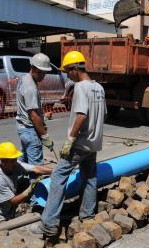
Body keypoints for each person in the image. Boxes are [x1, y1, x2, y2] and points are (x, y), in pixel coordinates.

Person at [30, 51, 107, 237]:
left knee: (58, 178)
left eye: (67, 72)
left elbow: (81, 115)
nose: (67, 76)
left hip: (79, 144)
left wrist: (70, 140)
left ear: (74, 70)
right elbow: (103, 114)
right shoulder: (99, 88)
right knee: (89, 177)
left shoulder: (81, 87)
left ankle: (48, 225)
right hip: (94, 143)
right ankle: (87, 215)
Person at [0, 142, 53, 227]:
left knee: (24, 180)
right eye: (13, 161)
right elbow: (13, 201)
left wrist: (56, 171)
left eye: (16, 159)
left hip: (7, 213)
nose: (16, 162)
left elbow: (36, 169)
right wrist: (30, 190)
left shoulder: (14, 165)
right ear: (3, 161)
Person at [16, 53, 55, 204]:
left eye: (45, 73)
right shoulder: (30, 87)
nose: (43, 76)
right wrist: (44, 136)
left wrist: (42, 115)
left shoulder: (24, 78)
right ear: (34, 68)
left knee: (22, 161)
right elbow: (33, 116)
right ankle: (36, 201)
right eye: (42, 73)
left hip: (22, 128)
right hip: (30, 131)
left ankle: (14, 185)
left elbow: (30, 111)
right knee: (36, 167)